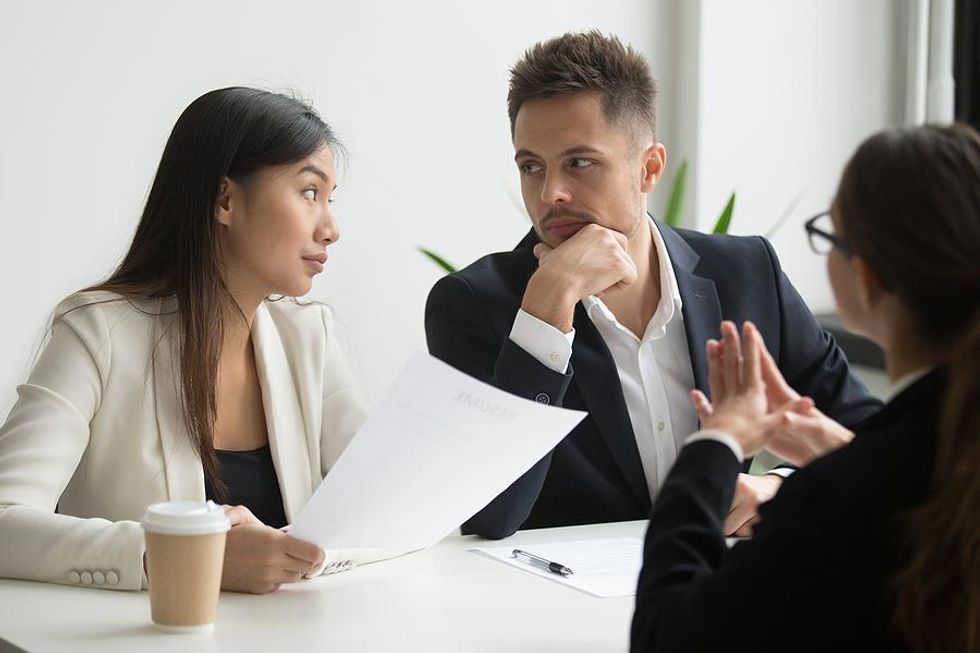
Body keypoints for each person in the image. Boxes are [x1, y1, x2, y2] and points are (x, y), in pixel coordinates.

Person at [424, 31, 880, 539]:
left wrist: (781, 485)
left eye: (580, 162)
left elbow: (877, 435)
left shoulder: (747, 273)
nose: (551, 193)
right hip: (553, 609)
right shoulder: (472, 305)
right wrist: (545, 312)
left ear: (649, 168)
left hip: (716, 593)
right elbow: (488, 515)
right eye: (532, 166)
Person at [0, 87, 374, 593]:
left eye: (330, 200)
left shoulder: (309, 337)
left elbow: (383, 503)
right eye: (310, 192)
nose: (330, 228)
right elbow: (5, 521)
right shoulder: (96, 331)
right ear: (225, 200)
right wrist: (189, 557)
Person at [631, 124, 980, 653]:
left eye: (829, 233)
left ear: (864, 278)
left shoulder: (834, 503)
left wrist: (715, 446)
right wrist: (846, 451)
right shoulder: (945, 455)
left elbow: (667, 636)